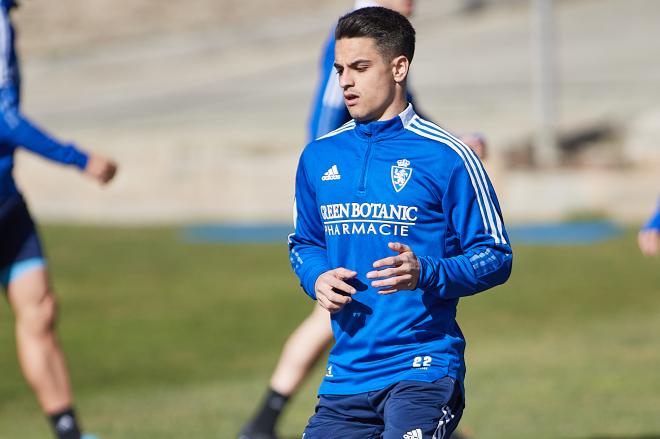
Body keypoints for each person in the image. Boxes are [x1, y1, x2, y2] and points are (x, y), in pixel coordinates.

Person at [238, 2, 486, 438]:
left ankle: (265, 418)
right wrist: (315, 276)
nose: (346, 81)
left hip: (423, 367)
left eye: (359, 67)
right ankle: (265, 420)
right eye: (340, 69)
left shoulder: (449, 156)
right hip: (347, 377)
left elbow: (493, 257)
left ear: (399, 67)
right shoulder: (318, 157)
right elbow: (304, 243)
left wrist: (426, 271)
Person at [0, 1, 117, 438]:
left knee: (40, 312)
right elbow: (4, 115)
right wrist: (79, 158)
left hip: (6, 203)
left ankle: (69, 432)